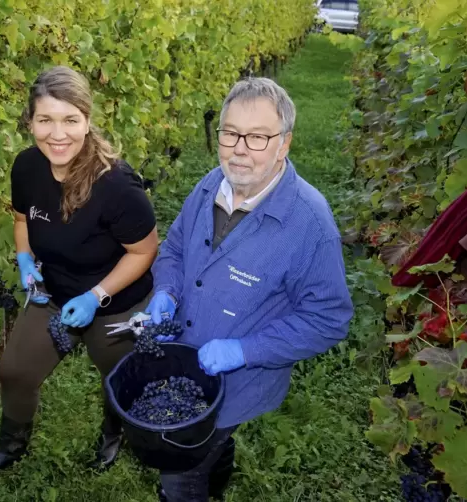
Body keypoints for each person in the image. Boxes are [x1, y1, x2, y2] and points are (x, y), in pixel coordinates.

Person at [145, 77, 354, 501]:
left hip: (239, 387)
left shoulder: (309, 227)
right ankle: (216, 472)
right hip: (184, 362)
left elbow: (328, 319)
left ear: (285, 144)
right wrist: (165, 291)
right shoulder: (209, 186)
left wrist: (245, 352)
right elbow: (175, 249)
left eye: (258, 137)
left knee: (180, 473)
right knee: (210, 450)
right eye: (230, 133)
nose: (239, 148)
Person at [0, 66, 159, 474]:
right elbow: (22, 220)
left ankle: (114, 431)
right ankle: (12, 444)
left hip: (115, 302)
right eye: (45, 120)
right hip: (53, 291)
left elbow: (144, 252)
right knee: (14, 371)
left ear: (87, 121)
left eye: (70, 120)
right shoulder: (27, 168)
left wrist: (96, 297)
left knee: (120, 378)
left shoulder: (118, 186)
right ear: (30, 122)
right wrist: (24, 259)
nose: (58, 134)